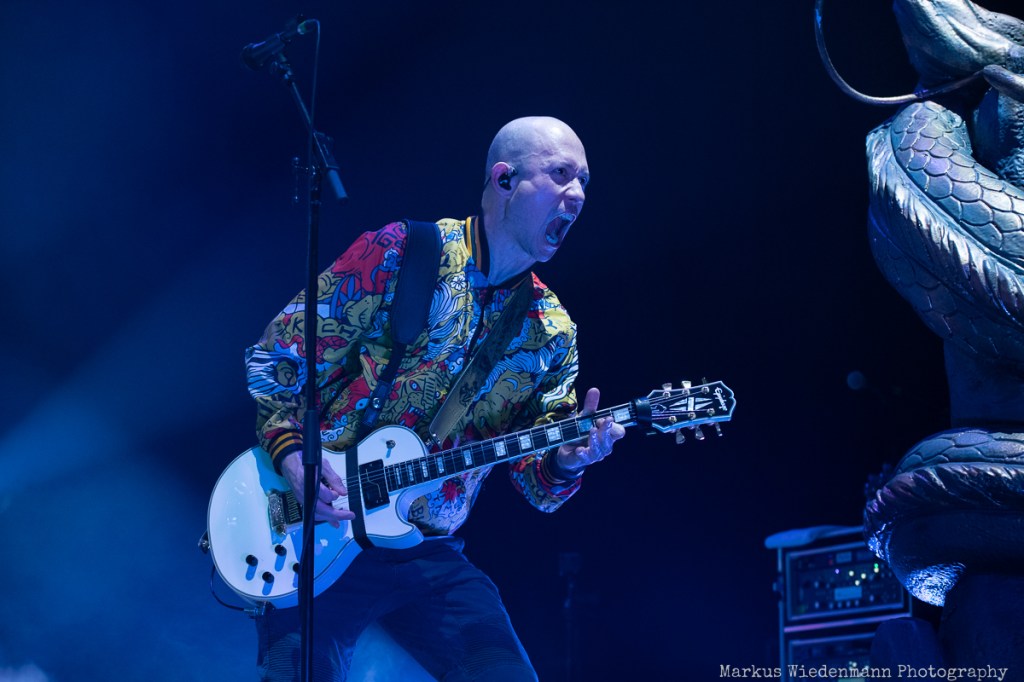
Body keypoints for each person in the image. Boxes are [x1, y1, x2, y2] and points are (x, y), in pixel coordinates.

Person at [245, 116, 625, 681]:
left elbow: (536, 484)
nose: (577, 195)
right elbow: (276, 358)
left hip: (425, 551)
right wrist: (292, 455)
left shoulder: (552, 331)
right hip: (318, 526)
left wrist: (567, 462)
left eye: (585, 182)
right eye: (561, 174)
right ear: (504, 180)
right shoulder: (404, 252)